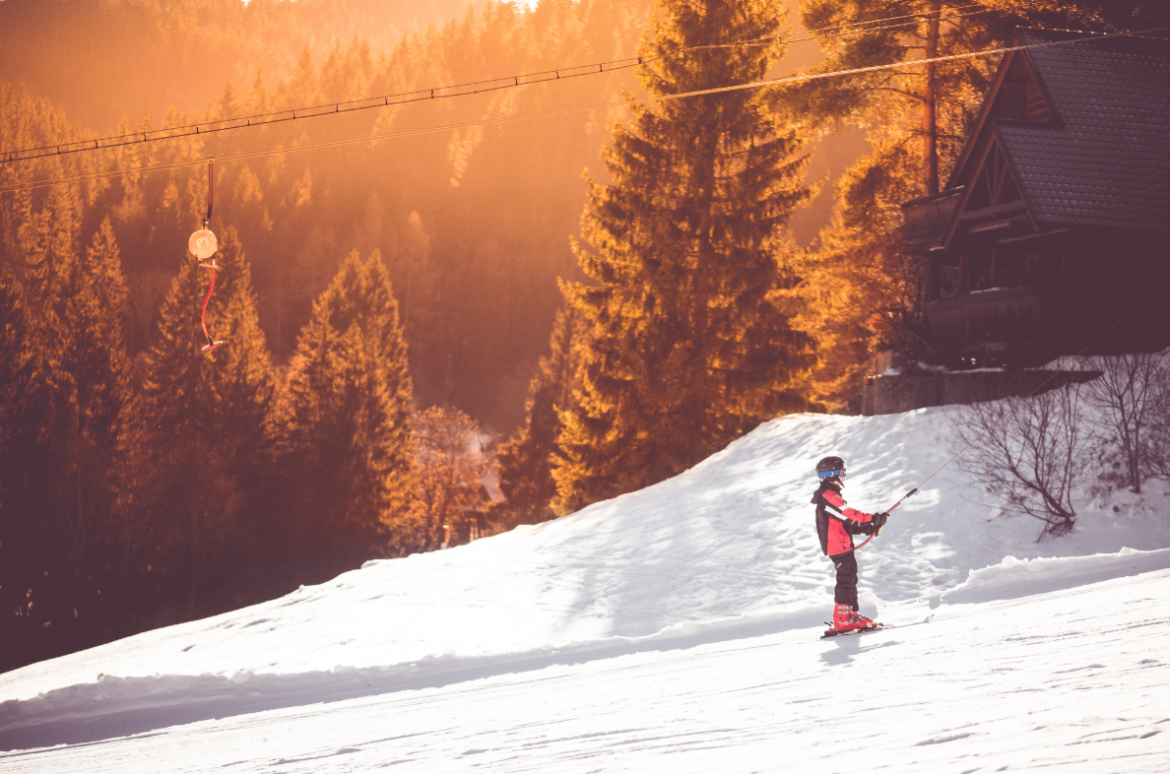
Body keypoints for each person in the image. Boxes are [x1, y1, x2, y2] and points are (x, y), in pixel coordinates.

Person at [812, 456, 889, 633]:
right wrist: (873, 518)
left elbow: (845, 525)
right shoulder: (827, 496)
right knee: (845, 580)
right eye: (842, 471)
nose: (844, 475)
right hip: (838, 547)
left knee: (850, 578)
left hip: (843, 545)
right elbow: (848, 515)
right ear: (831, 474)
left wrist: (869, 528)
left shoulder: (831, 495)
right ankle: (843, 619)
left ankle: (851, 615)